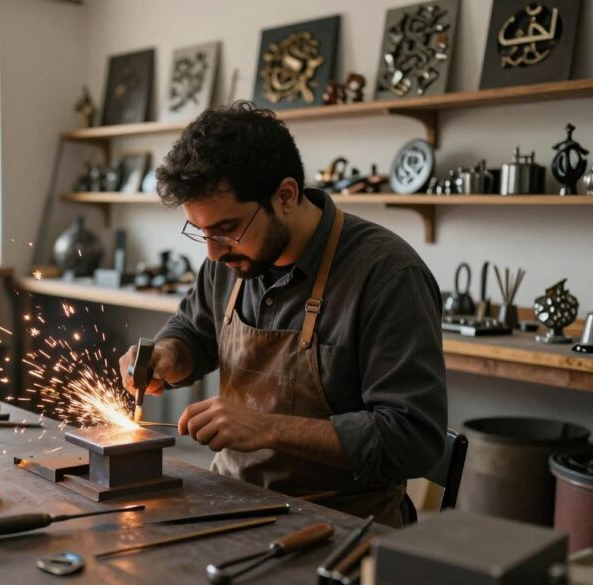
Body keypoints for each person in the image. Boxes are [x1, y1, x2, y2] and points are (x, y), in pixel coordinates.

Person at [118, 101, 447, 527]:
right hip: (231, 504)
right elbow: (193, 332)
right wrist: (170, 354)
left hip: (342, 525)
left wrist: (266, 427)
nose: (213, 253)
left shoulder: (387, 275)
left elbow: (412, 439)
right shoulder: (229, 261)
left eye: (225, 229)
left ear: (286, 196)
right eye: (201, 232)